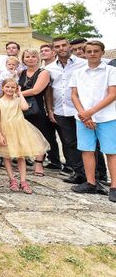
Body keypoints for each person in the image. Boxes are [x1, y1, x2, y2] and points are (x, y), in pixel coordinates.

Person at [46, 37, 106, 183]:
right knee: (70, 143)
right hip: (62, 110)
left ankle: (99, 175)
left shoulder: (84, 64)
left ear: (69, 47)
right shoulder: (50, 68)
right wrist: (50, 109)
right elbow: (49, 90)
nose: (61, 48)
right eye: (57, 46)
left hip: (83, 110)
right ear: (54, 50)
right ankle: (79, 174)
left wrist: (91, 111)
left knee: (92, 144)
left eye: (64, 45)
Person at [69, 40, 116, 201]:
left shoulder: (110, 70)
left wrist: (91, 112)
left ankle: (114, 186)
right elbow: (74, 95)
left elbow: (112, 94)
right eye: (89, 51)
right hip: (82, 117)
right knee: (87, 150)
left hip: (106, 116)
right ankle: (91, 182)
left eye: (96, 51)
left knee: (111, 152)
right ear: (84, 53)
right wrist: (83, 114)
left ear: (102, 52)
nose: (92, 54)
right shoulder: (78, 72)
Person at [0, 78, 48, 194]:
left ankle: (23, 181)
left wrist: (20, 94)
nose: (10, 89)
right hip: (5, 130)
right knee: (7, 156)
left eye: (13, 87)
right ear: (3, 88)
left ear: (16, 88)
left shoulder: (17, 99)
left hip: (19, 130)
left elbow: (25, 107)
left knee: (21, 156)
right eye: (7, 87)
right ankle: (12, 179)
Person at [18, 49, 59, 172]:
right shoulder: (22, 72)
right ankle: (25, 161)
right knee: (26, 135)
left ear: (38, 58)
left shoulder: (44, 72)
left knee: (41, 135)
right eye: (27, 56)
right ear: (23, 59)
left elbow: (36, 90)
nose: (30, 59)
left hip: (38, 107)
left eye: (33, 56)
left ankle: (39, 163)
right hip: (23, 106)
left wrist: (17, 93)